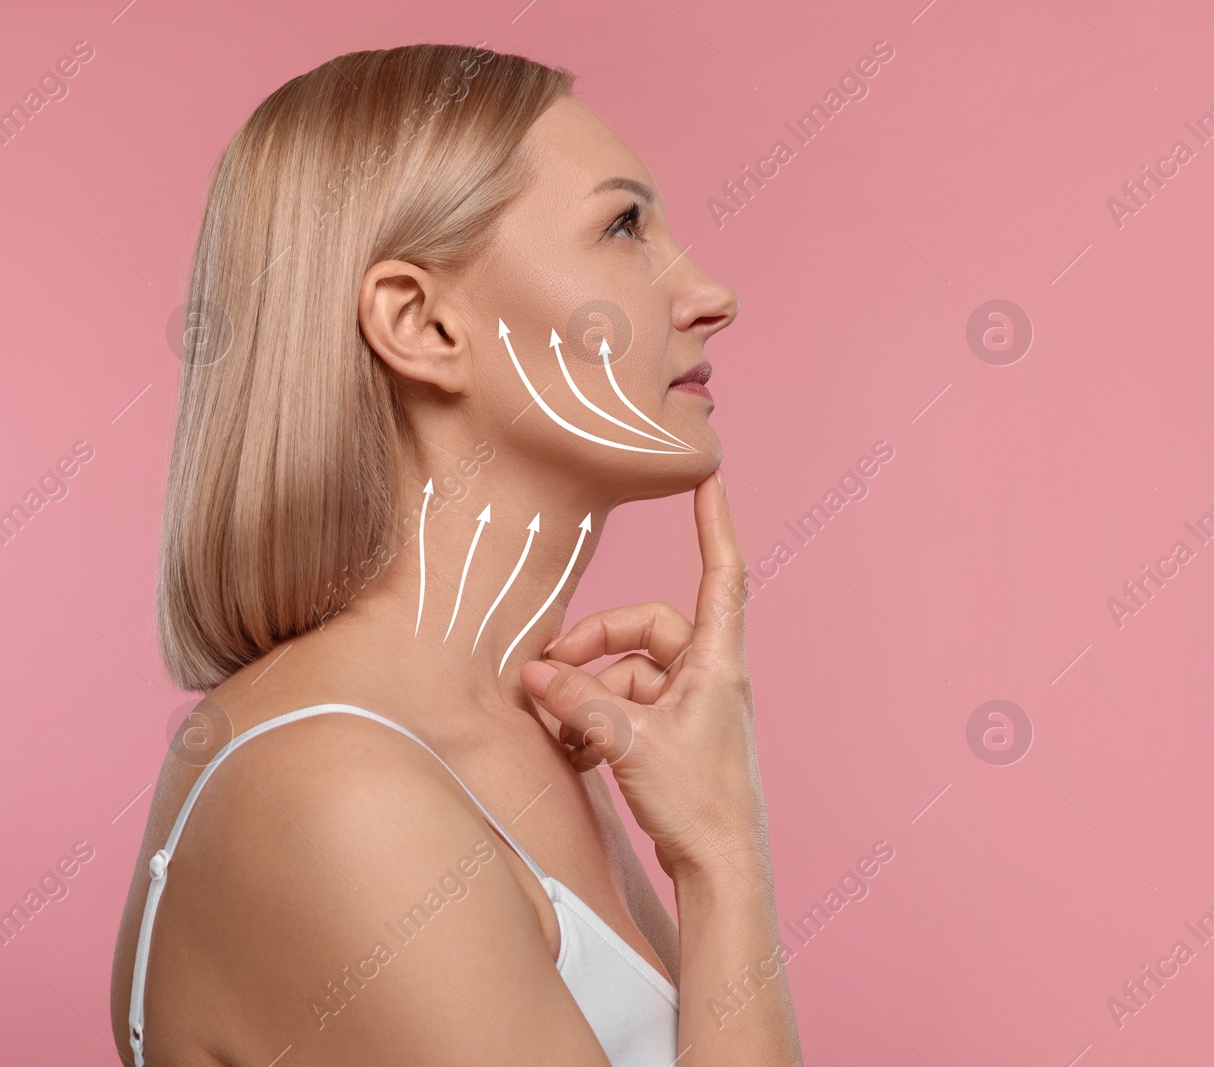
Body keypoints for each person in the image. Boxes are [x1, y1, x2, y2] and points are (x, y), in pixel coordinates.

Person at [108, 42, 802, 1066]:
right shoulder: (336, 793)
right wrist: (726, 856)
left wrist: (715, 840)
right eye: (622, 226)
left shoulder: (521, 735)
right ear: (420, 321)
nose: (708, 293)